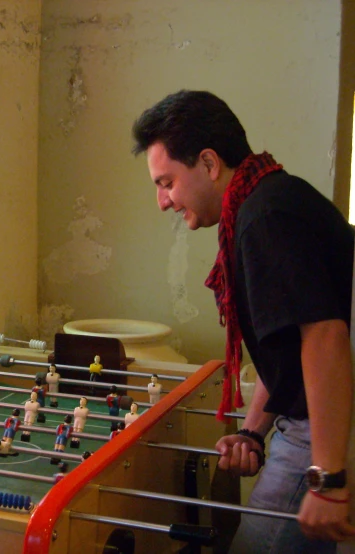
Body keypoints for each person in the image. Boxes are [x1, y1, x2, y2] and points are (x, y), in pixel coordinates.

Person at [132, 89, 355, 553]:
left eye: (166, 182)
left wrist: (329, 478)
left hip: (324, 420)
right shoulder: (263, 202)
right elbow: (288, 348)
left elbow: (324, 336)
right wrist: (253, 431)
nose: (162, 201)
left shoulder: (265, 216)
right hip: (316, 415)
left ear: (209, 164)